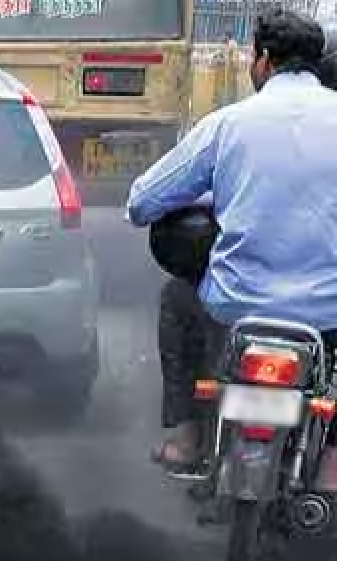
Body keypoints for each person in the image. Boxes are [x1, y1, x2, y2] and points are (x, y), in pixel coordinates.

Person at [126, 9, 337, 471]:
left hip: (237, 304)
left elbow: (141, 203)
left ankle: (187, 438)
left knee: (177, 300)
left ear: (263, 59)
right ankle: (331, 467)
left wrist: (208, 195)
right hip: (327, 314)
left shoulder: (227, 125)